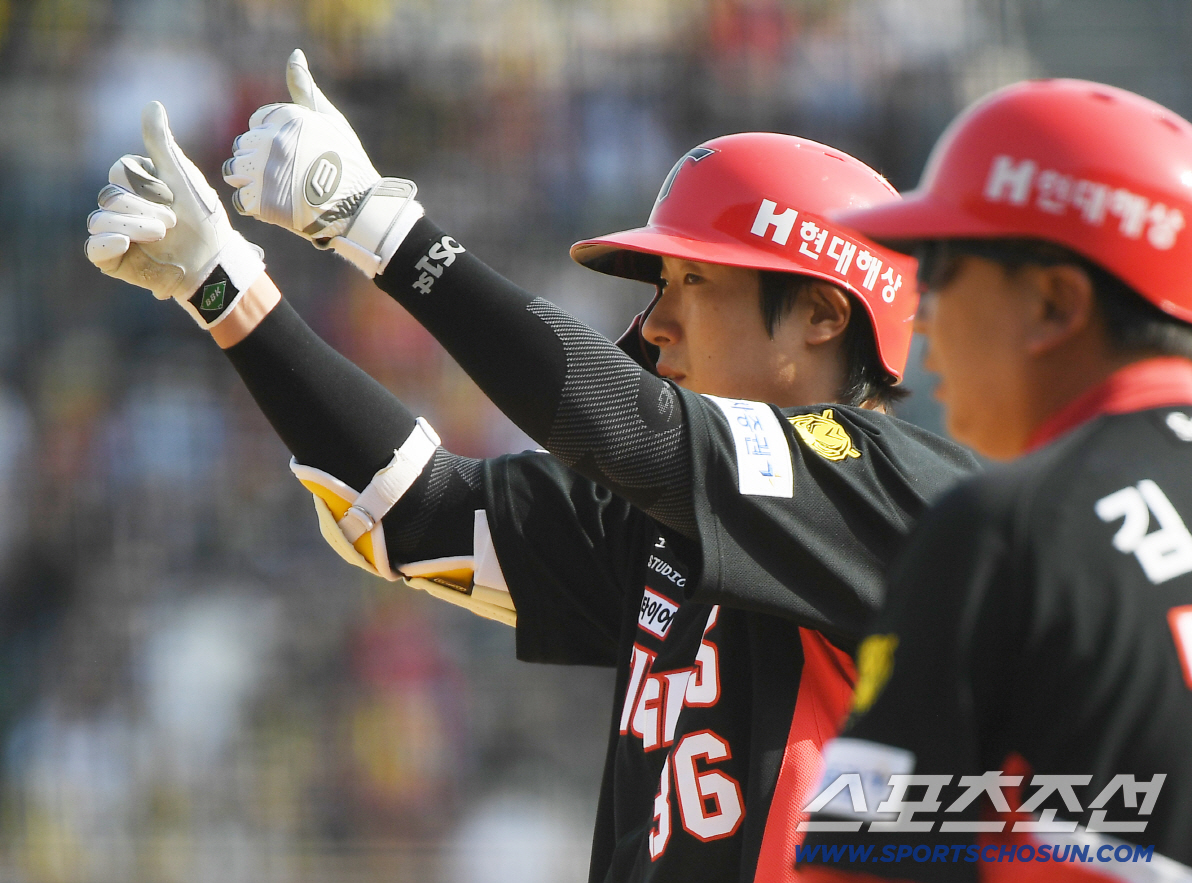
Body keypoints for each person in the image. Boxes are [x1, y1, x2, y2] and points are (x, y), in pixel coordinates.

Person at [85, 52, 975, 882]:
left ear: (822, 314)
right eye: (660, 286)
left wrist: (375, 225)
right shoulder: (672, 527)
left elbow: (638, 432)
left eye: (695, 282)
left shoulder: (900, 491)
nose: (656, 323)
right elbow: (412, 514)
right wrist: (224, 286)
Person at [793, 79, 1192, 881]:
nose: (923, 313)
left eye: (942, 267)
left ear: (1055, 302)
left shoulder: (1011, 528)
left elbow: (859, 865)